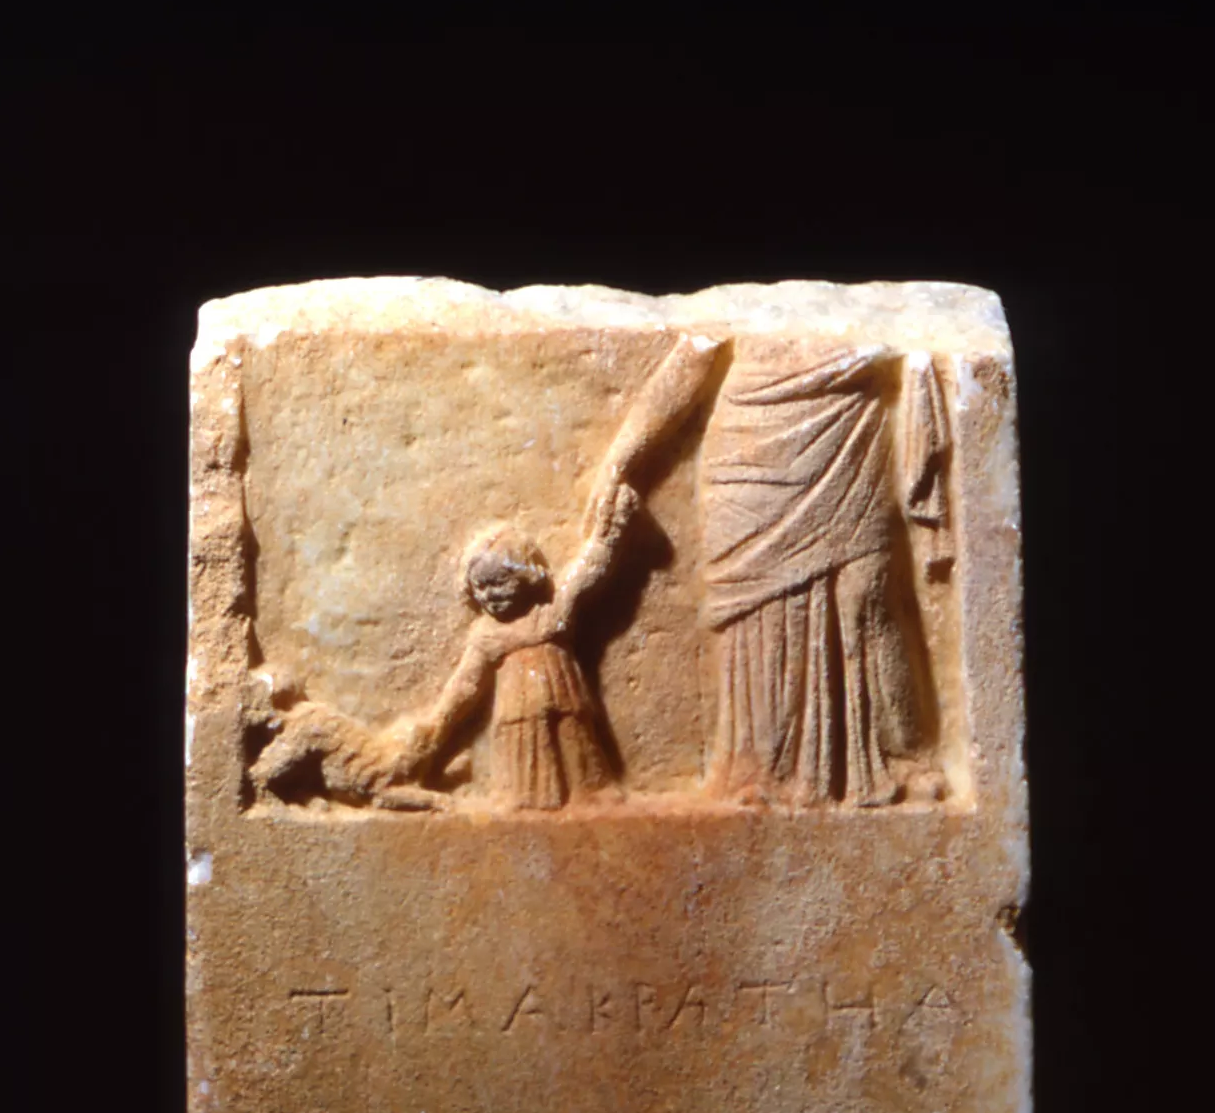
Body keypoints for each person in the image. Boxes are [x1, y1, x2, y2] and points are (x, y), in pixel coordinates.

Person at [698, 346, 951, 806]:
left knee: (867, 595)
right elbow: (692, 356)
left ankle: (900, 753)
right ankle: (764, 767)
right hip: (751, 441)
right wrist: (622, 462)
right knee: (768, 620)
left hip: (852, 424)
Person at [396, 481, 640, 810]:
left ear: (527, 576)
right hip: (518, 713)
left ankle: (586, 795)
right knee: (525, 765)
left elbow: (587, 571)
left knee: (575, 748)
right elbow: (466, 684)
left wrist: (610, 531)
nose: (490, 595)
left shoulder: (551, 612)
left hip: (565, 702)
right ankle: (524, 801)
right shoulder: (487, 635)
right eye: (480, 587)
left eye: (500, 583)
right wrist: (438, 722)